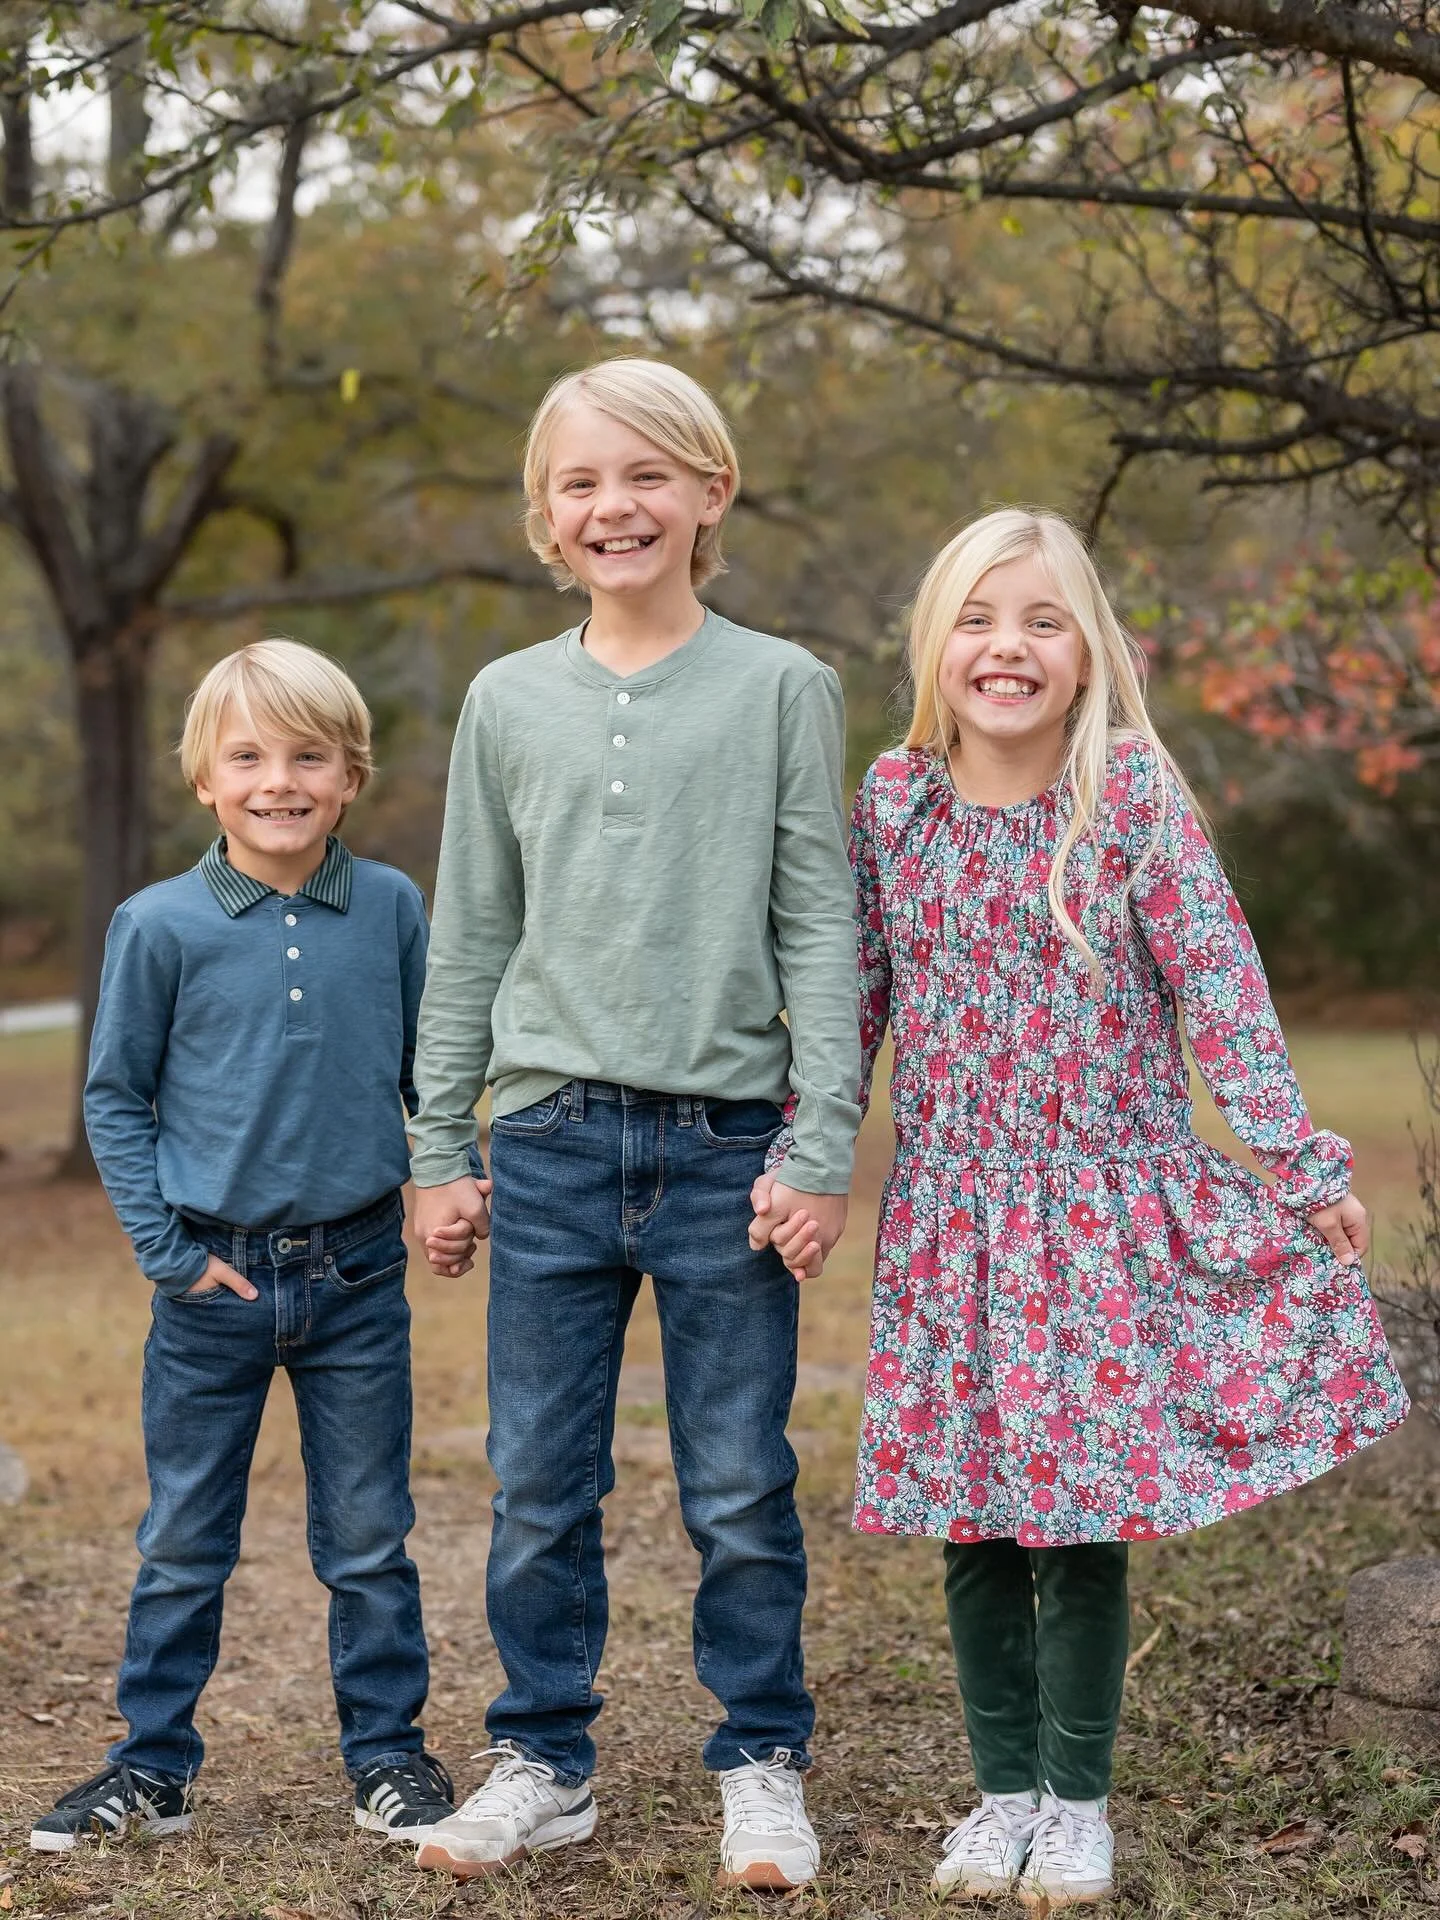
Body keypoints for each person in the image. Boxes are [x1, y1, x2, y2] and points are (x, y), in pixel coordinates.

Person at [754, 508, 1409, 1908]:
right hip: (948, 1223)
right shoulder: (895, 804)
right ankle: (1000, 1795)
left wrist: (1300, 1168)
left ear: (1087, 647)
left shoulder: (1132, 801)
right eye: (980, 620)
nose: (1009, 648)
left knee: (1074, 1519)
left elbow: (1223, 997)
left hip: (1100, 1227)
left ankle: (1078, 1798)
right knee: (975, 1520)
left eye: (1042, 621)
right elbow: (848, 1003)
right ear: (938, 643)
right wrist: (797, 1151)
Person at [406, 358, 861, 1887]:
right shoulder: (506, 700)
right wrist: (436, 1152)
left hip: (728, 1147)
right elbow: (471, 934)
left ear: (710, 490)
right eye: (585, 482)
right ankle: (544, 1753)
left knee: (737, 1480)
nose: (619, 505)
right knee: (540, 1480)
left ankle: (761, 1758)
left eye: (649, 474)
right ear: (546, 515)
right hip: (545, 1144)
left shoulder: (783, 686)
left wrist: (818, 1149)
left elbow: (820, 933)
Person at [31, 641, 455, 1855]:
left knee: (369, 1540)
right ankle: (150, 1767)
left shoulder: (390, 907)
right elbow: (116, 1097)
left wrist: (445, 1180)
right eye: (250, 756)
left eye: (309, 755)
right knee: (181, 1542)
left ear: (351, 775)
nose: (281, 780)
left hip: (360, 1275)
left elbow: (433, 1070)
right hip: (210, 1281)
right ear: (206, 780)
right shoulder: (157, 925)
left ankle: (388, 1758)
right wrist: (168, 1255)